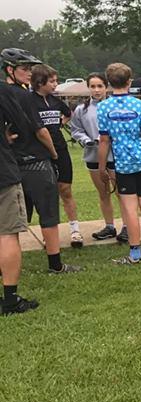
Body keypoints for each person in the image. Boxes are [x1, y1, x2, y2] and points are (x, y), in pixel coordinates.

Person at [2, 48, 79, 274]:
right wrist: (54, 154)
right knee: (48, 214)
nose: (29, 73)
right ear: (10, 70)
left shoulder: (3, 93)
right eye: (25, 69)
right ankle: (55, 264)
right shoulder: (26, 96)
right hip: (36, 161)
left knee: (11, 220)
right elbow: (40, 130)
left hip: (11, 164)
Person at [96, 63, 141, 265]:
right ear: (129, 82)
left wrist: (101, 166)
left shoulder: (104, 107)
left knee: (129, 209)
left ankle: (135, 252)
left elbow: (104, 140)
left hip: (123, 165)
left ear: (108, 83)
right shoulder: (139, 105)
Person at [29, 64, 83, 248]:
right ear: (39, 82)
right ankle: (49, 233)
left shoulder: (55, 101)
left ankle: (75, 230)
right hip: (41, 152)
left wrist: (60, 123)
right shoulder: (29, 101)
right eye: (51, 81)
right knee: (47, 193)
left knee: (65, 189)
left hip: (60, 148)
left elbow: (69, 113)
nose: (55, 84)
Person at [68, 72, 126, 243]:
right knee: (103, 192)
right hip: (93, 155)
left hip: (115, 155)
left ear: (106, 87)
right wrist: (87, 140)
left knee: (121, 193)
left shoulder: (114, 106)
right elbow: (76, 129)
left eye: (100, 86)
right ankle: (109, 226)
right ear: (88, 88)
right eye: (92, 86)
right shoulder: (82, 109)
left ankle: (127, 226)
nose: (96, 90)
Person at [0, 78, 38, 314]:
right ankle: (11, 298)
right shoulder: (3, 91)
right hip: (3, 173)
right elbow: (22, 125)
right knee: (7, 234)